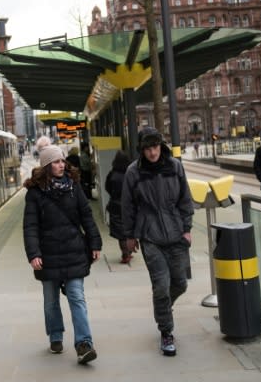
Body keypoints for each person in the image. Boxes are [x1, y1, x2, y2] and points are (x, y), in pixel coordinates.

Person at [23, 144, 102, 364]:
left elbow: (87, 217)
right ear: (47, 166)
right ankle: (56, 335)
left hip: (73, 250)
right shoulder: (35, 193)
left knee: (77, 296)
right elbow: (30, 227)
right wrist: (33, 254)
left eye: (62, 161)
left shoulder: (73, 187)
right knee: (51, 301)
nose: (61, 165)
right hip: (47, 255)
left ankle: (84, 344)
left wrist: (95, 243)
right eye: (56, 162)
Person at [121, 127, 194, 357]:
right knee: (161, 285)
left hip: (176, 234)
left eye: (154, 147)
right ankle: (166, 331)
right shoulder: (134, 172)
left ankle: (163, 308)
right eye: (147, 149)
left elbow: (185, 198)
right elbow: (127, 206)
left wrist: (187, 228)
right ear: (141, 150)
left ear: (160, 146)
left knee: (180, 283)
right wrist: (130, 236)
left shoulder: (175, 167)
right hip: (149, 235)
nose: (152, 153)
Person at [104, 150, 133, 263]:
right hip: (129, 206)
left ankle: (125, 254)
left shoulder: (112, 174)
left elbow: (107, 187)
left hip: (115, 206)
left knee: (120, 233)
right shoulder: (130, 173)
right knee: (129, 230)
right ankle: (129, 252)